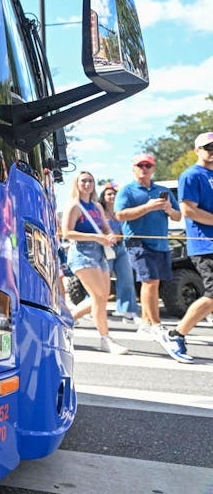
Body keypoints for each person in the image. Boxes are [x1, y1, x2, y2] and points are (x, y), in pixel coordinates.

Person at [114, 153, 188, 362]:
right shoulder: (127, 190)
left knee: (155, 283)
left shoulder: (161, 191)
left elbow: (177, 216)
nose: (144, 169)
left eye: (148, 165)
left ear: (153, 168)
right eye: (140, 165)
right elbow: (120, 215)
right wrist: (147, 207)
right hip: (138, 241)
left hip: (160, 243)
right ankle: (155, 324)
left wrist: (167, 208)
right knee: (150, 281)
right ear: (134, 168)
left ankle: (146, 322)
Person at [61, 171, 127, 354]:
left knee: (101, 297)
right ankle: (105, 338)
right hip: (82, 254)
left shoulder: (97, 206)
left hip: (100, 253)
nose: (87, 184)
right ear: (76, 183)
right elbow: (67, 233)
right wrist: (96, 237)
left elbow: (106, 228)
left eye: (90, 180)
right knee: (98, 297)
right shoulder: (74, 206)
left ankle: (65, 322)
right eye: (83, 181)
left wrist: (109, 235)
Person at [166, 132, 213, 355]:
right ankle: (176, 334)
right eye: (208, 147)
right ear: (197, 150)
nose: (212, 151)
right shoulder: (192, 175)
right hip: (204, 245)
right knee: (212, 294)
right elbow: (187, 210)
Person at [100, 182, 140, 323]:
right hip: (105, 248)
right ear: (103, 196)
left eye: (114, 194)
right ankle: (95, 308)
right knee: (102, 281)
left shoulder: (121, 211)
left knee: (127, 278)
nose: (112, 196)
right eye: (109, 194)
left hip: (122, 247)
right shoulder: (99, 211)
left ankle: (128, 310)